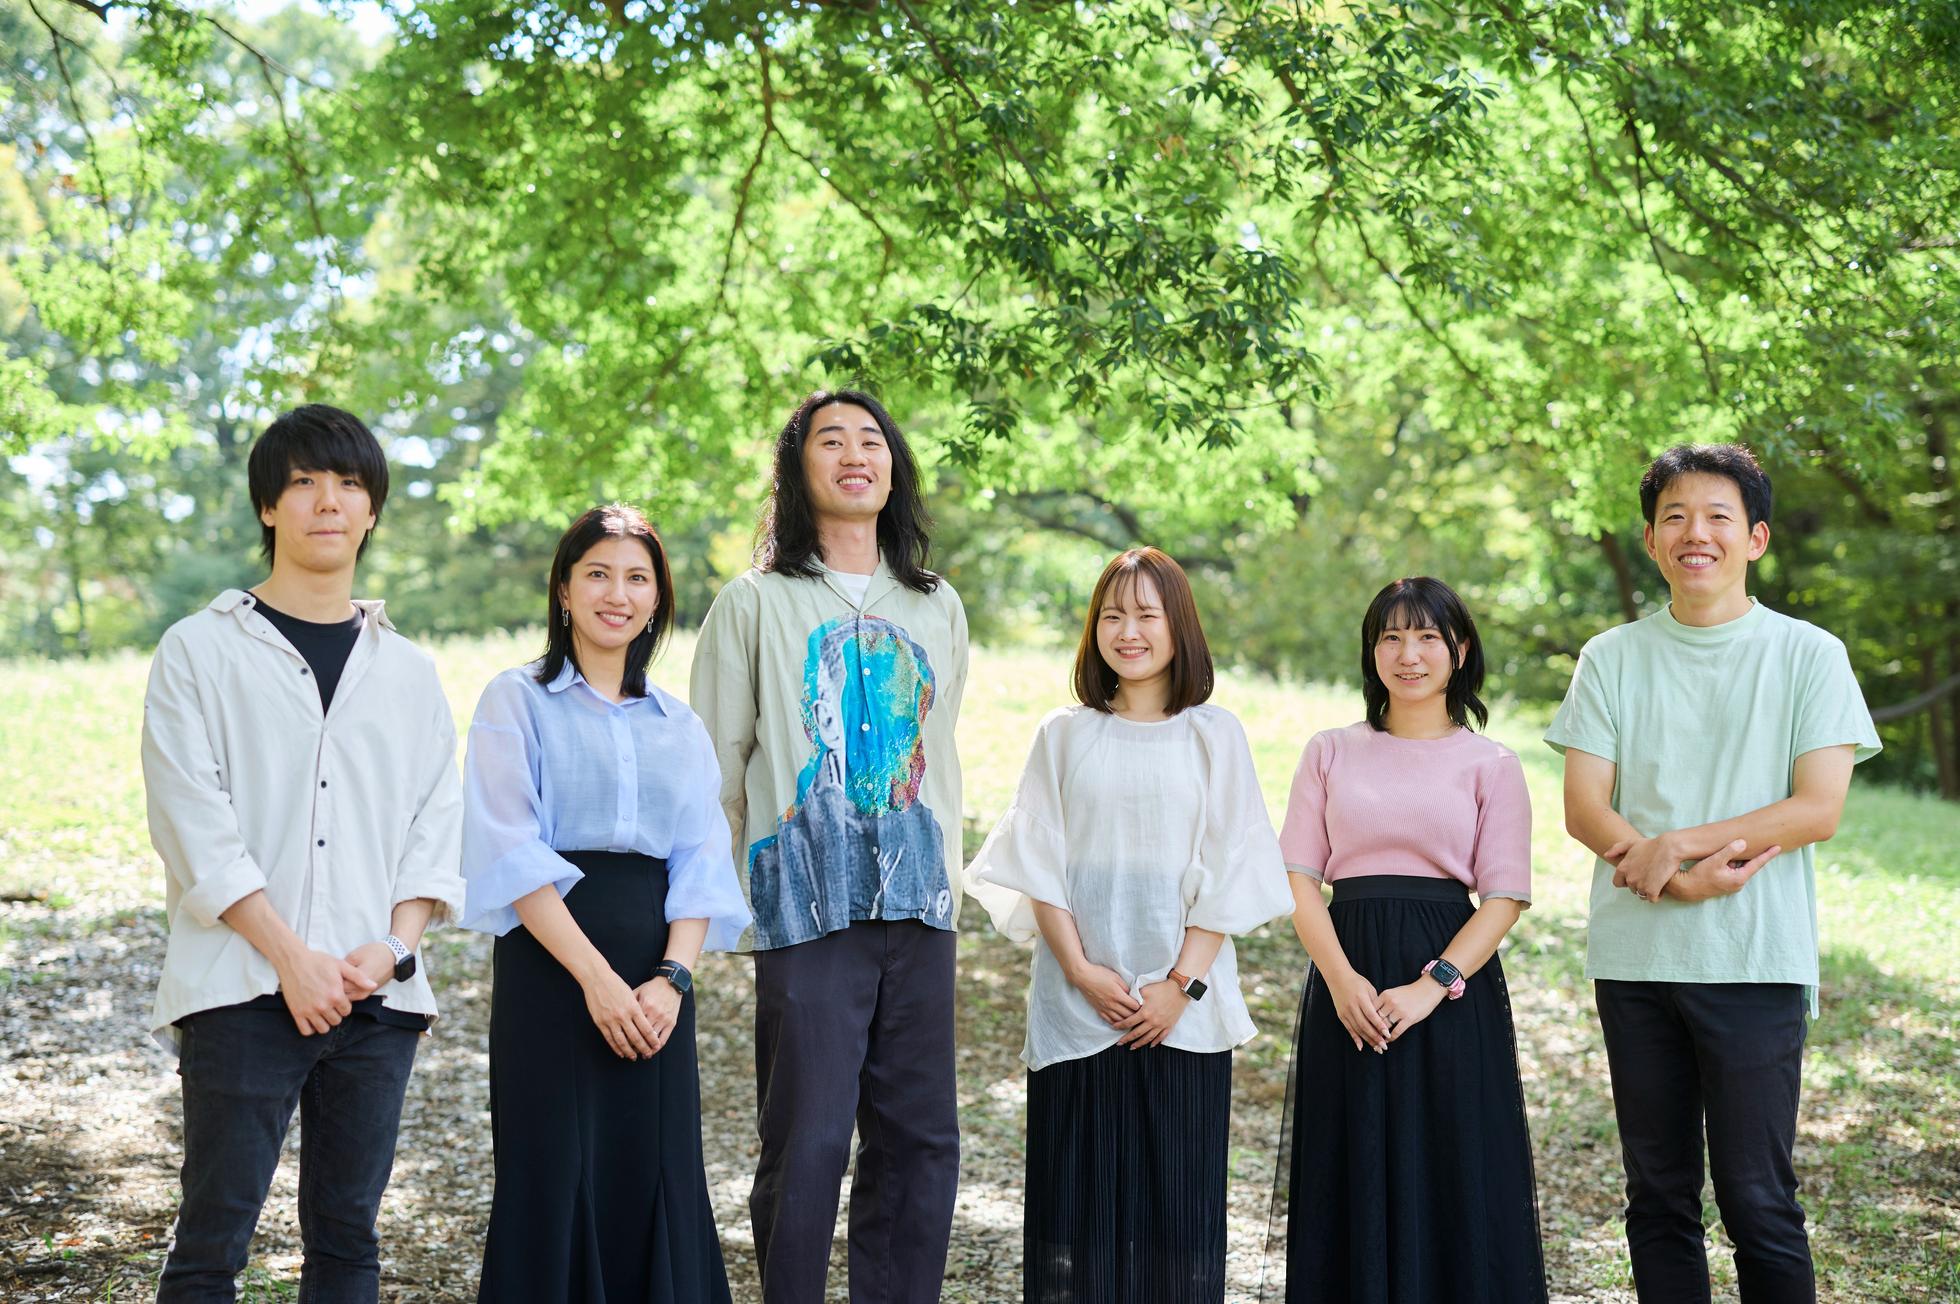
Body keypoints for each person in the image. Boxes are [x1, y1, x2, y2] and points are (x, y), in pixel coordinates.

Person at [142, 404, 466, 1302]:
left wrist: (392, 950)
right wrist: (291, 958)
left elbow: (435, 825)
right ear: (267, 506)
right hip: (240, 987)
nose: (329, 501)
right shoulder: (199, 650)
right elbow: (191, 818)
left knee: (349, 1241)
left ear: (372, 511)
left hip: (376, 995)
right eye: (304, 482)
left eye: (349, 484)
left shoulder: (409, 671)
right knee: (212, 1241)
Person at [1547, 444, 1881, 1303]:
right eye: (1675, 517)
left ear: (1756, 538)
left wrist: (1675, 847)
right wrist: (1669, 876)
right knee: (1658, 1199)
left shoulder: (1810, 654)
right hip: (1636, 962)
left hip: (1754, 959)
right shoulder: (1610, 657)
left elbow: (1817, 809)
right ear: (1652, 542)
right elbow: (1584, 807)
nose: (1695, 533)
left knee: (1757, 1201)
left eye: (1717, 517)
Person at [690, 390, 969, 1303]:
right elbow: (715, 771)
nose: (855, 454)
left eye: (871, 440)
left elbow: (938, 746)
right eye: (831, 440)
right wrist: (716, 909)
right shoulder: (753, 602)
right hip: (804, 907)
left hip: (921, 904)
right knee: (807, 1141)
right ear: (797, 467)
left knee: (921, 1140)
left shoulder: (936, 604)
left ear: (894, 467)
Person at [967, 547, 1294, 1304]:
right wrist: (1081, 970)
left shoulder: (1215, 734)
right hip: (1077, 1005)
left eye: (1147, 614)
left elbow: (1233, 866)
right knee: (1075, 1214)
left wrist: (1181, 985)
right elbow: (1037, 861)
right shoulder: (1064, 733)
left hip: (1183, 1012)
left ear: (1179, 626)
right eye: (1112, 615)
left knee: (1178, 1217)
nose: (1128, 631)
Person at [460, 503, 750, 1303]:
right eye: (597, 574)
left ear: (657, 599)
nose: (616, 594)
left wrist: (672, 980)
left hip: (657, 981)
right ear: (563, 589)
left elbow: (700, 859)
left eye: (636, 578)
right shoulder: (516, 700)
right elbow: (510, 850)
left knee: (656, 1168)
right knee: (553, 1170)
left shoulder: (679, 725)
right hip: (551, 966)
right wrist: (596, 981)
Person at [1273, 577, 1546, 1303]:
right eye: (1390, 637)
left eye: (1427, 637)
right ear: (1372, 652)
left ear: (1460, 650)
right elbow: (1297, 878)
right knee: (1347, 1162)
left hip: (1451, 990)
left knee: (1453, 1166)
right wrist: (1341, 982)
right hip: (1347, 980)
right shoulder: (1330, 751)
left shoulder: (1492, 764)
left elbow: (1505, 898)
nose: (1408, 654)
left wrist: (1433, 986)